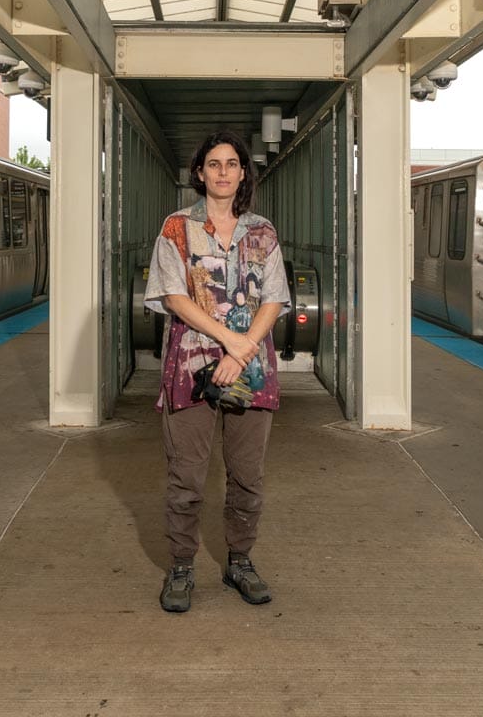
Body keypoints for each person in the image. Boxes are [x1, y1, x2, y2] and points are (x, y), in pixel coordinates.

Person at [143, 130, 290, 614]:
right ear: (200, 173)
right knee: (186, 477)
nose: (223, 172)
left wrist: (240, 352)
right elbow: (174, 296)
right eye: (214, 164)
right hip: (191, 367)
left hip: (252, 372)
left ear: (243, 172)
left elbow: (274, 299)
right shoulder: (176, 229)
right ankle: (182, 566)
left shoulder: (263, 232)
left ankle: (240, 562)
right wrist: (230, 341)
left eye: (232, 163)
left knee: (247, 477)